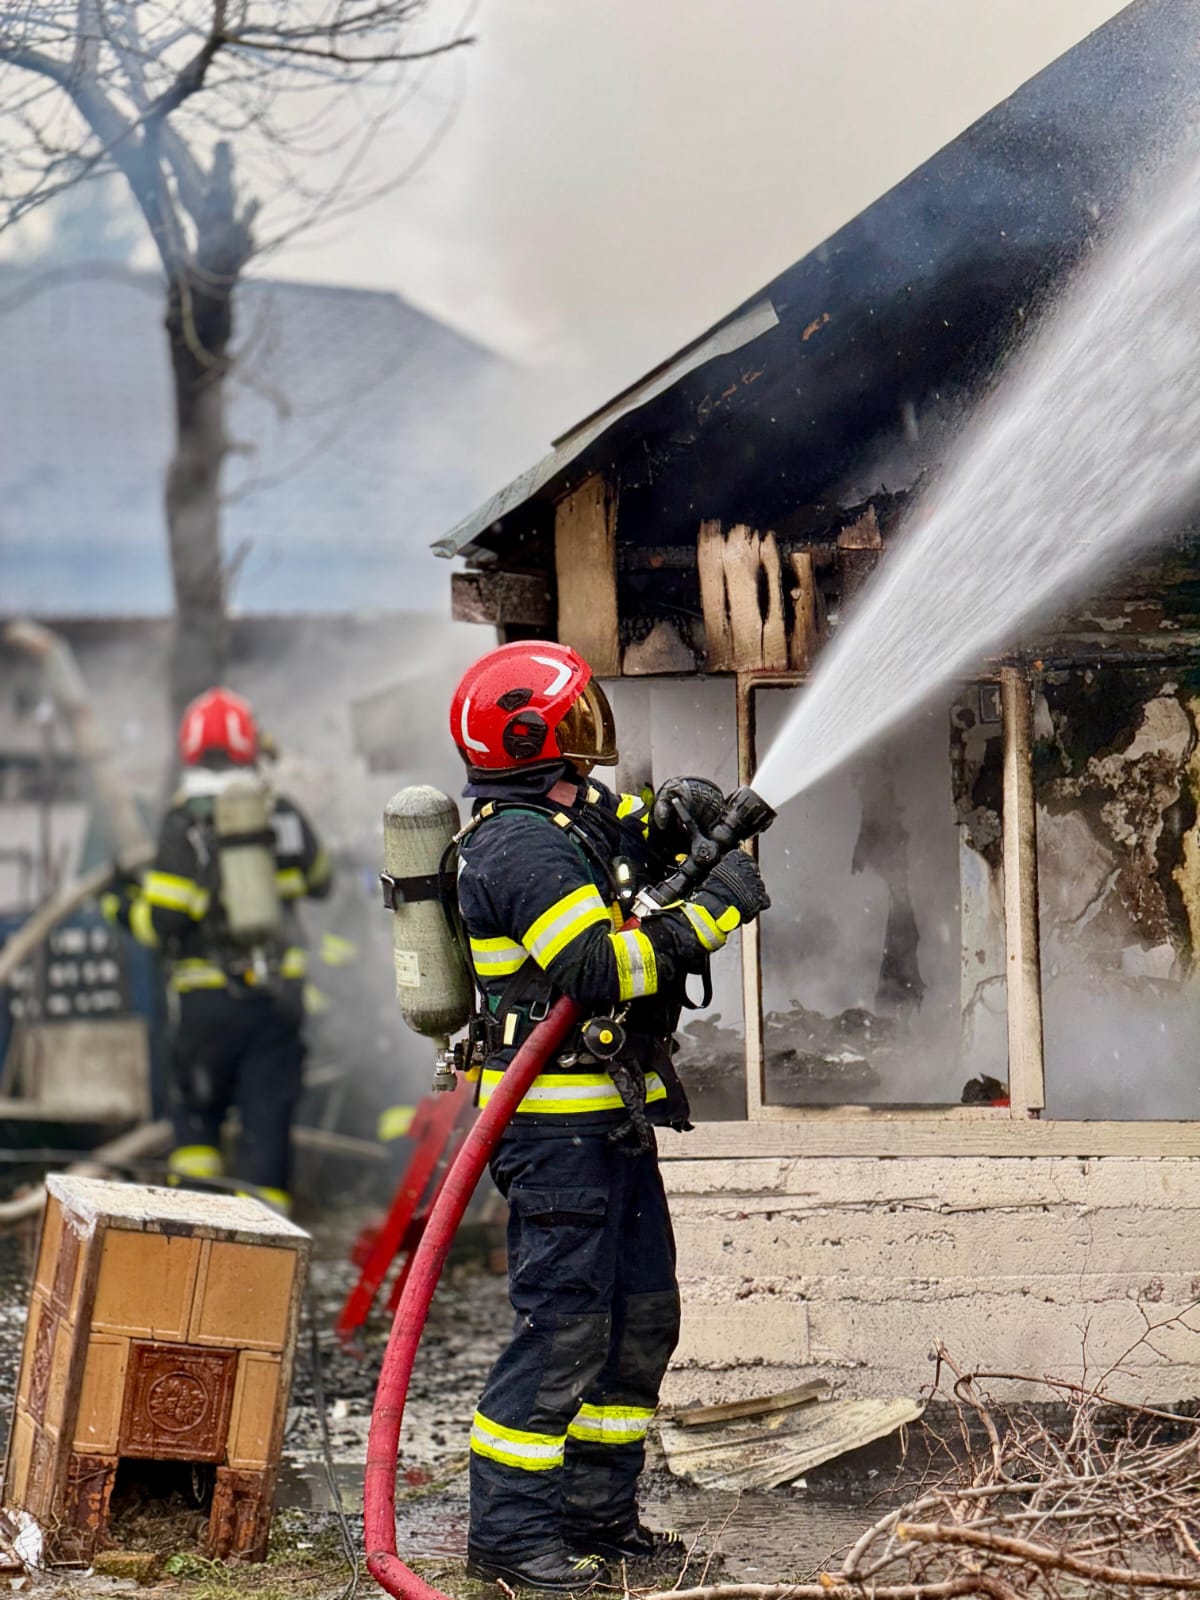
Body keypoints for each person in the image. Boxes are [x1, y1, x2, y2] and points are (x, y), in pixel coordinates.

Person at [450, 641, 769, 1592]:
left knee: (641, 1320)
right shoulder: (516, 846)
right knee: (564, 1330)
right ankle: (510, 1538)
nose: (592, 731)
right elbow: (593, 967)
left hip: (610, 1124)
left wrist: (675, 817)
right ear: (530, 739)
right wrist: (710, 915)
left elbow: (631, 839)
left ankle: (598, 1519)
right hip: (552, 1133)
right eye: (574, 717)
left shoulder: (573, 814)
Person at [107, 687, 331, 1212]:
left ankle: (195, 1228)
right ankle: (268, 1237)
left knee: (197, 1122)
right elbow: (322, 881)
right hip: (278, 1001)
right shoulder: (280, 810)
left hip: (207, 1004)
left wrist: (120, 905)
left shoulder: (185, 820)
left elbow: (162, 922)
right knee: (267, 1124)